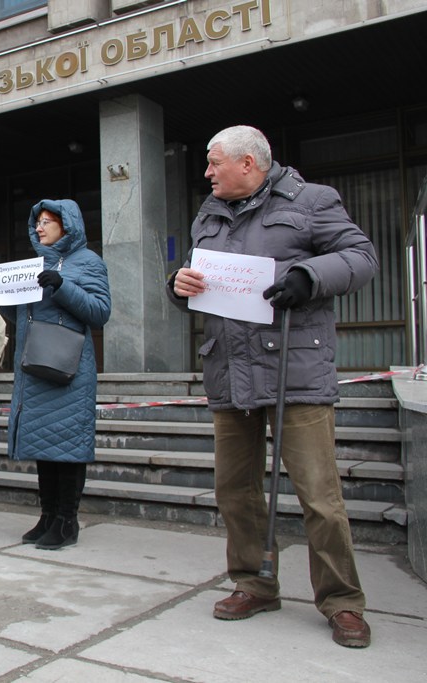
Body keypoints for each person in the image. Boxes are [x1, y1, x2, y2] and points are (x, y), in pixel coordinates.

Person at [168, 125, 378, 648]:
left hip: (295, 373)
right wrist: (179, 285)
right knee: (235, 491)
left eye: (215, 163)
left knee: (319, 497)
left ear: (249, 164)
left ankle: (342, 602)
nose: (208, 172)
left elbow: (361, 257)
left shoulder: (311, 200)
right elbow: (201, 280)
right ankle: (254, 582)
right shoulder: (208, 214)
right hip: (228, 372)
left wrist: (308, 275)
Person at [0, 200, 110, 550]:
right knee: (44, 446)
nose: (40, 227)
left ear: (67, 225)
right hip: (36, 366)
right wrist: (2, 299)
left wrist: (62, 285)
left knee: (67, 446)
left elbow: (100, 312)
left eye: (48, 222)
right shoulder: (35, 264)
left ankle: (67, 521)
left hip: (69, 369)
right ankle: (47, 516)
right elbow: (28, 319)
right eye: (37, 222)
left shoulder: (89, 262)